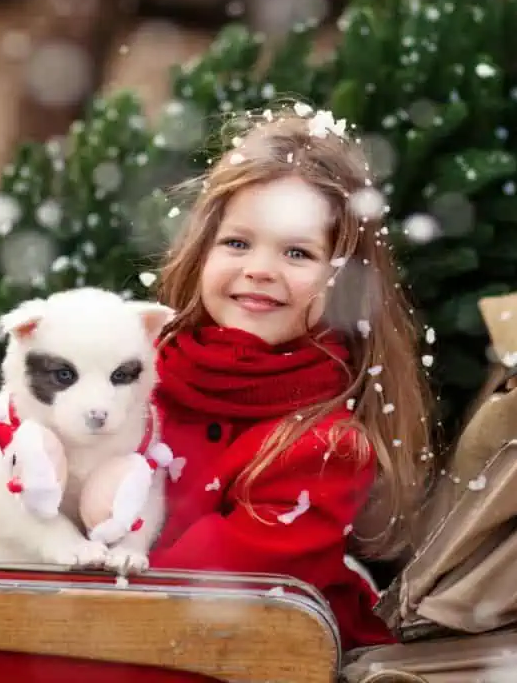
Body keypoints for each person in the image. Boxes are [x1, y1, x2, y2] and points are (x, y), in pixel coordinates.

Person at [147, 104, 434, 650]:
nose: (259, 268)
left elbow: (185, 598)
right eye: (237, 242)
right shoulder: (136, 373)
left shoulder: (324, 448)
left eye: (298, 252)